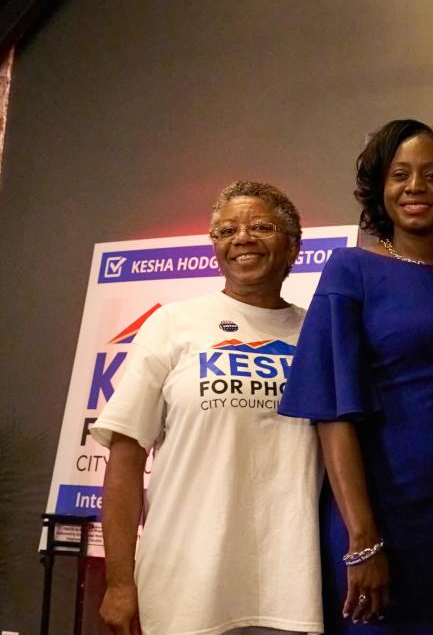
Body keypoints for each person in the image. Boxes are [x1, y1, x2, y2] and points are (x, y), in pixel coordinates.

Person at [278, 119, 433, 634]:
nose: (415, 187)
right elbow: (332, 412)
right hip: (379, 518)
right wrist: (363, 540)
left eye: (432, 175)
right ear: (381, 190)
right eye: (400, 174)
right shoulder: (350, 270)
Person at [92, 181, 323, 635]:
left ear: (293, 246)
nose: (242, 238)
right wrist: (120, 583)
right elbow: (125, 458)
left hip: (291, 586)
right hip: (186, 586)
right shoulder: (172, 324)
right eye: (225, 230)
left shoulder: (318, 332)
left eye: (261, 226)